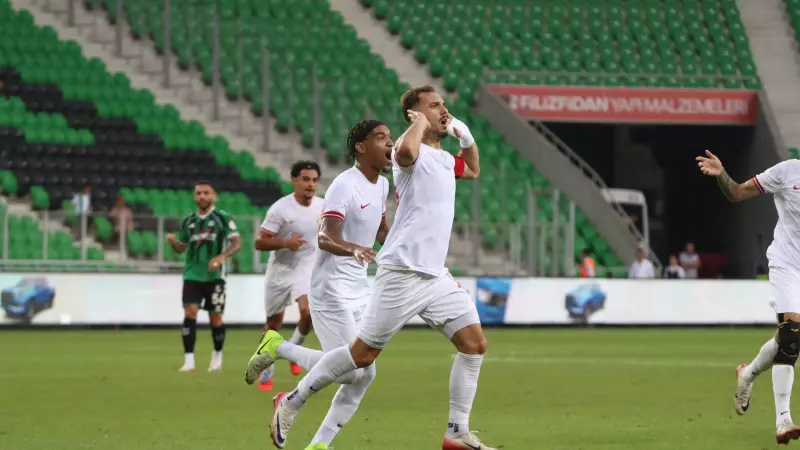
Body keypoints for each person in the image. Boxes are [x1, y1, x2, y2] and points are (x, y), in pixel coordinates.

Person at [253, 85, 496, 450]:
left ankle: (456, 431)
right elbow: (408, 150)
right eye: (434, 106)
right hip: (403, 273)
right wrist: (418, 124)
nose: (443, 110)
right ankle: (292, 401)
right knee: (362, 359)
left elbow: (473, 168)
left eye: (444, 104)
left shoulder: (444, 160)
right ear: (415, 114)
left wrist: (465, 133)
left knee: (474, 344)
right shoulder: (402, 151)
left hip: (435, 275)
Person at [245, 119, 393, 450]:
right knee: (353, 369)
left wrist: (402, 245)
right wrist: (354, 248)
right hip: (330, 288)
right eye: (381, 138)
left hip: (358, 287)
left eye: (391, 138)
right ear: (361, 146)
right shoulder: (344, 185)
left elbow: (381, 232)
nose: (390, 144)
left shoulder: (382, 185)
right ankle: (289, 399)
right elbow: (326, 237)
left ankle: (319, 444)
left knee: (364, 372)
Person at [697, 150, 800, 444]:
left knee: (785, 338)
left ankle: (748, 373)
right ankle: (783, 421)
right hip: (787, 266)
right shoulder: (787, 172)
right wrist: (722, 175)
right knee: (792, 335)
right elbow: (738, 193)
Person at [253, 161, 323, 391]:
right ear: (294, 181)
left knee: (307, 311)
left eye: (314, 180)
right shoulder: (280, 209)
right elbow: (260, 242)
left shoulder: (323, 207)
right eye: (305, 179)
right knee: (273, 324)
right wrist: (285, 242)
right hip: (280, 270)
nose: (310, 184)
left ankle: (294, 349)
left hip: (306, 268)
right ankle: (267, 365)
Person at [166, 181, 240, 373]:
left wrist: (221, 257)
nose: (202, 196)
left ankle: (217, 355)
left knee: (215, 317)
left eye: (206, 193)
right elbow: (181, 248)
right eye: (198, 193)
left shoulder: (222, 218)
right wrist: (174, 242)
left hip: (215, 276)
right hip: (192, 274)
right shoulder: (190, 221)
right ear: (195, 197)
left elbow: (236, 243)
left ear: (214, 196)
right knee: (190, 313)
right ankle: (189, 361)